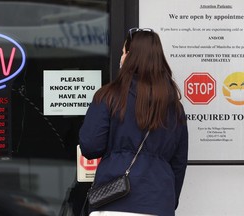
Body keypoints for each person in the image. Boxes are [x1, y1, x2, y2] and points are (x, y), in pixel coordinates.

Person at [79, 27, 188, 216]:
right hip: (158, 202)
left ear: (130, 56)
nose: (121, 57)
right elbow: (178, 163)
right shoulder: (174, 107)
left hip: (112, 203)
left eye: (123, 52)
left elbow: (90, 146)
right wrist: (167, 200)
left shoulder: (108, 96)